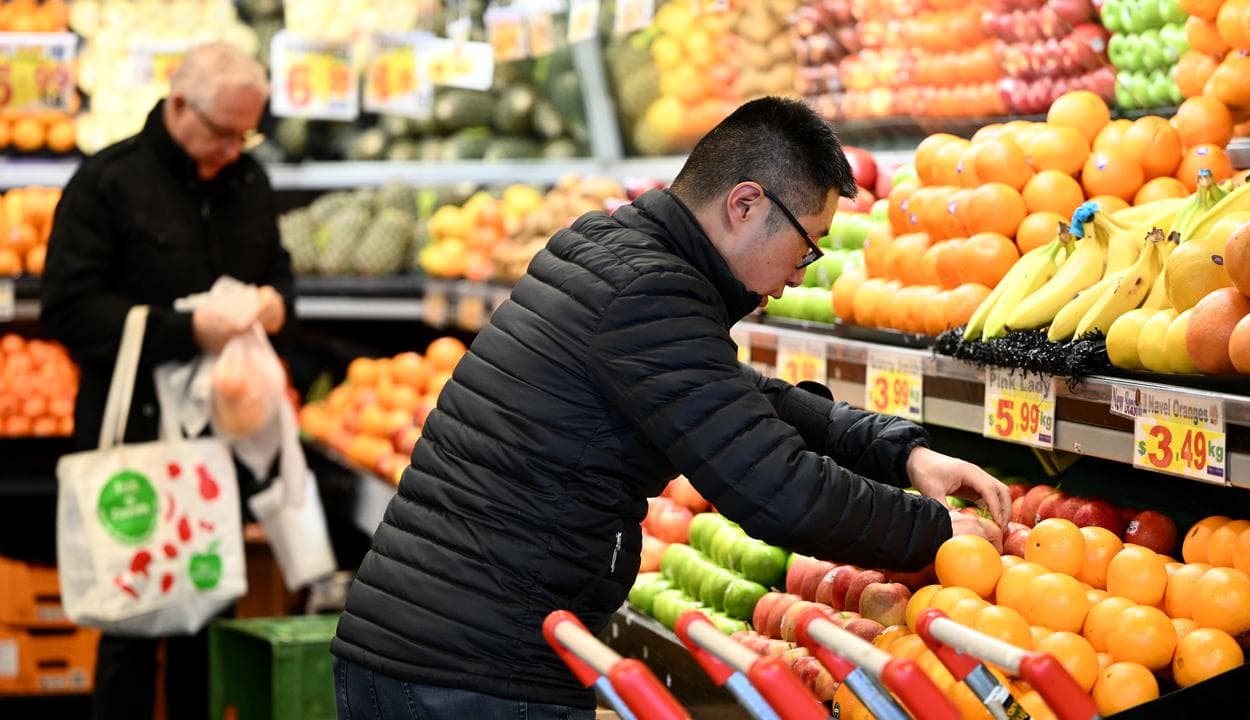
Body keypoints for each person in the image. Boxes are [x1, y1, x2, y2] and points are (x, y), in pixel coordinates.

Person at [330, 97, 1011, 718]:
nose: (802, 273)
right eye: (806, 244)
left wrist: (901, 450)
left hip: (441, 648)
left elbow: (731, 396)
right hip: (469, 675)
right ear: (745, 204)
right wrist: (941, 534)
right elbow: (779, 490)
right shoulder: (648, 291)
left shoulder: (607, 249)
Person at [40, 41, 295, 720]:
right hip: (134, 436)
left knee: (209, 617)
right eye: (223, 133)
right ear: (179, 106)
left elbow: (281, 272)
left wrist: (276, 303)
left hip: (223, 438)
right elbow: (67, 307)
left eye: (249, 134)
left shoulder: (249, 182)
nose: (236, 150)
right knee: (130, 624)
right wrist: (186, 332)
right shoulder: (107, 181)